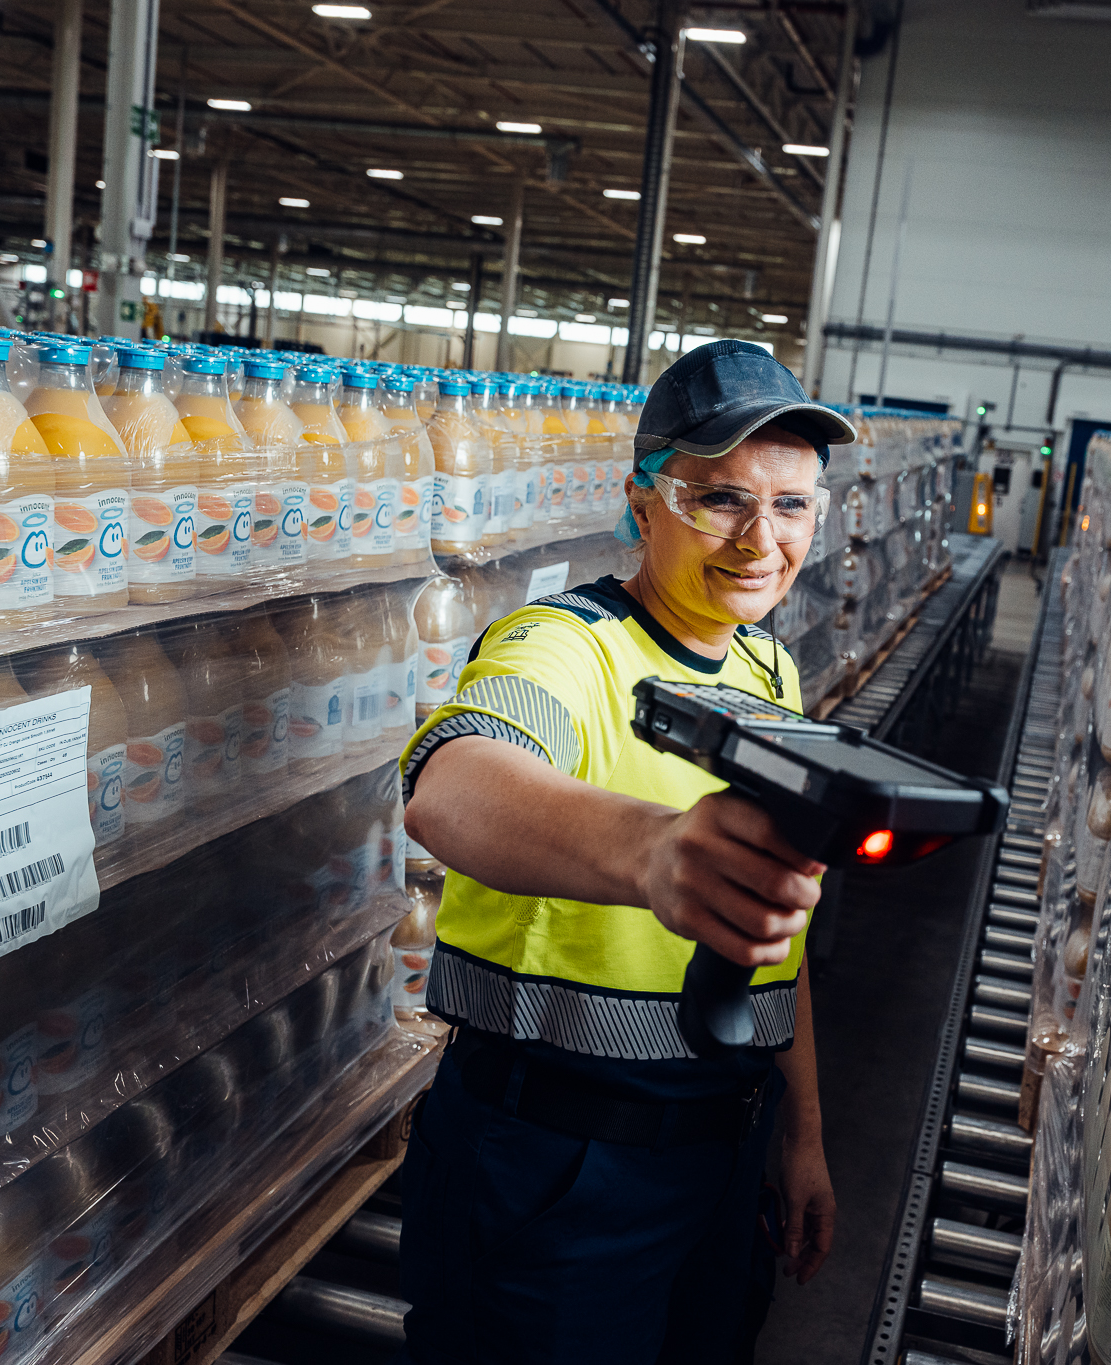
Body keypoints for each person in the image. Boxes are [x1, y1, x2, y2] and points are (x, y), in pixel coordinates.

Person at [395, 341, 854, 1363]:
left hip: (719, 1159)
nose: (759, 538)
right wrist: (653, 854)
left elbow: (776, 931)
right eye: (719, 499)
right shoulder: (561, 644)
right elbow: (453, 785)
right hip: (556, 1167)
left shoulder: (769, 670)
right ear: (644, 501)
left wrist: (800, 1130)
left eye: (790, 506)